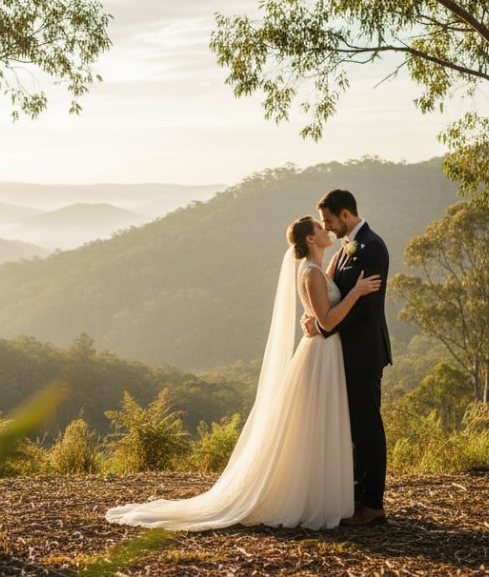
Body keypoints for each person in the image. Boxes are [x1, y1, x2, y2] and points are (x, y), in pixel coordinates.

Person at [105, 215, 381, 530]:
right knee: (315, 423)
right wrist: (357, 293)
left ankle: (321, 494)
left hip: (324, 352)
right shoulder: (313, 274)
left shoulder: (319, 270)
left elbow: (321, 311)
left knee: (317, 423)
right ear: (309, 239)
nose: (326, 229)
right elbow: (328, 322)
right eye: (320, 228)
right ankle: (310, 497)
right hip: (321, 354)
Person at [303, 188, 392, 525]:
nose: (327, 227)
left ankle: (373, 506)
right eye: (322, 223)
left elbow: (366, 308)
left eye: (329, 220)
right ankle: (355, 498)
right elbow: (332, 298)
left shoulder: (372, 246)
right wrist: (316, 317)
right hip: (345, 352)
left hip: (365, 352)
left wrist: (324, 326)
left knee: (368, 428)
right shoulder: (344, 249)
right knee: (353, 429)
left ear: (344, 214)